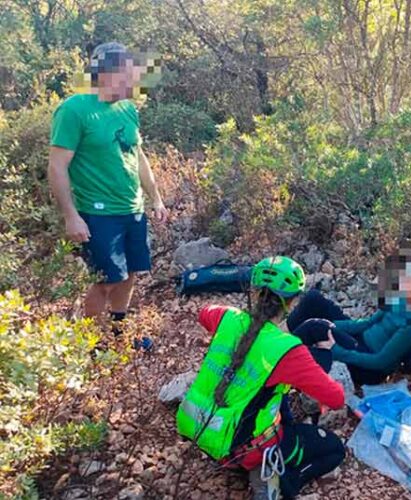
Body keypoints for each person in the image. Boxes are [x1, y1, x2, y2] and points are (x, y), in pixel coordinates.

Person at [176, 256, 345, 499]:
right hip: (244, 448)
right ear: (292, 303)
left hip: (200, 430)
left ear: (255, 293)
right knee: (334, 449)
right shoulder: (287, 350)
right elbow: (336, 398)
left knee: (270, 394)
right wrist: (323, 355)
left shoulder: (227, 318)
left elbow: (205, 313)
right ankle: (282, 483)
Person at [47, 42, 166, 347]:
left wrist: (155, 198)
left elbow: (137, 155)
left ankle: (118, 333)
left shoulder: (127, 107)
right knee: (106, 279)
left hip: (132, 208)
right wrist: (71, 216)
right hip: (97, 212)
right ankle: (90, 344)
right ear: (103, 74)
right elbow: (58, 166)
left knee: (130, 273)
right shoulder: (74, 110)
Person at [287, 255, 411, 385]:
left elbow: (381, 361)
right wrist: (329, 325)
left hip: (369, 365)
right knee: (313, 300)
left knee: (313, 337)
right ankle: (282, 339)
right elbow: (366, 323)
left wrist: (338, 351)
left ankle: (284, 358)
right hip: (358, 340)